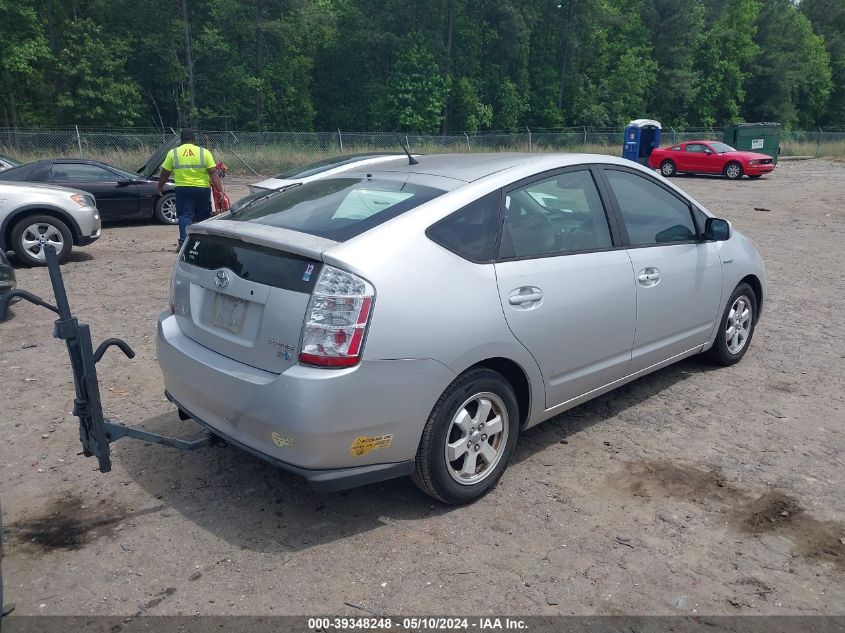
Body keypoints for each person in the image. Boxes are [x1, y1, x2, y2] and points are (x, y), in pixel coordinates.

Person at [156, 129, 224, 248]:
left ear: (181, 140)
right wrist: (220, 190)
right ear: (194, 140)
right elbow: (213, 172)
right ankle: (204, 242)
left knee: (185, 216)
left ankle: (184, 243)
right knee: (203, 216)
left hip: (183, 189)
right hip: (202, 189)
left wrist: (159, 187)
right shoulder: (204, 152)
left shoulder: (173, 153)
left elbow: (165, 172)